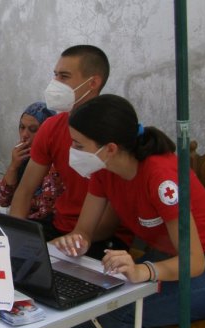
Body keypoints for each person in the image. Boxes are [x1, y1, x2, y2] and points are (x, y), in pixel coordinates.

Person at [53, 94, 205, 328]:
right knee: (84, 303)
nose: (72, 151)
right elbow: (84, 232)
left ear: (111, 148)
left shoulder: (161, 178)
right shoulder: (104, 169)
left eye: (79, 145)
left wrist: (142, 271)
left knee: (120, 310)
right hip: (169, 259)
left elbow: (194, 262)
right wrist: (74, 243)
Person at [10, 45, 131, 259]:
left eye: (64, 77)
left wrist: (71, 242)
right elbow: (25, 190)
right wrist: (17, 237)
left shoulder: (114, 131)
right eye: (55, 75)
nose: (55, 84)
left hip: (101, 239)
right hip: (58, 227)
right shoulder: (51, 127)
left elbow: (110, 219)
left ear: (93, 83)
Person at [0, 102, 64, 221]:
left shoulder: (56, 163)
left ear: (48, 133)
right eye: (22, 127)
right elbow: (2, 200)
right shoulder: (23, 157)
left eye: (33, 129)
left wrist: (18, 200)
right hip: (21, 222)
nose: (25, 135)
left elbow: (45, 209)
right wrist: (13, 167)